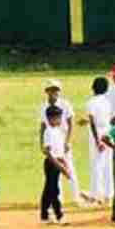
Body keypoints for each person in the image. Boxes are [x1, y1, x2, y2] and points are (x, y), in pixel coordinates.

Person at [40, 79, 83, 209]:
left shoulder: (65, 104)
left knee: (69, 168)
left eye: (56, 90)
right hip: (51, 140)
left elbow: (70, 123)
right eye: (52, 90)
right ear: (47, 91)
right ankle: (58, 199)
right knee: (54, 172)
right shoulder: (43, 106)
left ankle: (76, 197)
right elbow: (42, 126)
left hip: (62, 139)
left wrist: (68, 141)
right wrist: (41, 143)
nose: (55, 92)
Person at [83, 75, 114, 205]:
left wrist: (97, 140)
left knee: (96, 164)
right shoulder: (107, 102)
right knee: (107, 163)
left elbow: (92, 122)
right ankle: (108, 194)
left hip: (97, 133)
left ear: (93, 88)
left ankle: (96, 194)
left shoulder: (90, 102)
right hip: (108, 132)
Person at [39, 103, 70, 225]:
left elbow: (60, 151)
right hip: (51, 163)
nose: (60, 120)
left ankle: (44, 215)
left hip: (58, 161)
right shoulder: (49, 132)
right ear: (51, 118)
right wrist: (60, 166)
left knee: (49, 189)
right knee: (54, 190)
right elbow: (48, 152)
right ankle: (59, 215)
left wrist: (64, 163)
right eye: (58, 117)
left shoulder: (58, 131)